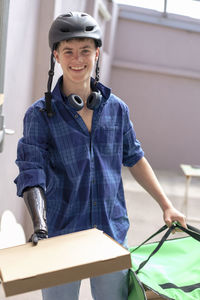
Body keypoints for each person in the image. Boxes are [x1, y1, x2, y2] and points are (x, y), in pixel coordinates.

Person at [14, 11, 186, 300]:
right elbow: (32, 173)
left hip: (110, 231)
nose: (76, 59)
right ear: (56, 55)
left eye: (85, 50)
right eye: (68, 51)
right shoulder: (39, 115)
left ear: (97, 53)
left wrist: (166, 205)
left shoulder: (117, 109)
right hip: (61, 233)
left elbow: (135, 157)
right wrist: (39, 225)